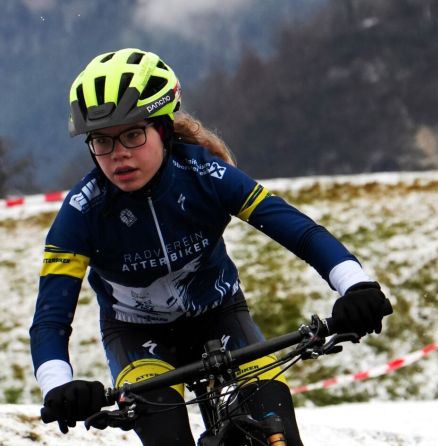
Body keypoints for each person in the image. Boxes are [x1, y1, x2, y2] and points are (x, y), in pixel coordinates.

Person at [29, 48, 393, 446]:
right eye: (102, 140)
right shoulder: (82, 212)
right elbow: (50, 319)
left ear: (164, 129)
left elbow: (301, 233)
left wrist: (355, 284)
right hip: (137, 335)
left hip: (220, 314)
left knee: (279, 438)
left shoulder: (205, 174)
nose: (119, 154)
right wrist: (58, 386)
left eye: (133, 135)